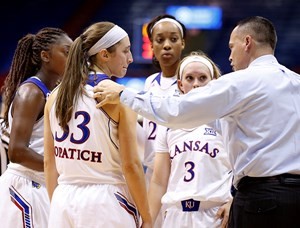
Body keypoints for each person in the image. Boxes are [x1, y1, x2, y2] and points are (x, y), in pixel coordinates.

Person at [94, 16, 300, 228]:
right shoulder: (296, 81)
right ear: (181, 84)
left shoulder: (241, 82)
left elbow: (179, 110)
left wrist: (124, 94)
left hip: (259, 200)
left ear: (247, 42)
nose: (230, 56)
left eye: (232, 47)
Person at [44, 21, 152, 228]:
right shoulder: (119, 98)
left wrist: (56, 203)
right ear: (104, 55)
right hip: (105, 200)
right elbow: (131, 166)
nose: (130, 58)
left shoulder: (54, 96)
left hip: (63, 198)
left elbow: (49, 163)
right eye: (126, 51)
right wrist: (147, 217)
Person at [148, 51, 233, 228]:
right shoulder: (168, 124)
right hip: (175, 215)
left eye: (203, 78)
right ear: (180, 85)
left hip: (215, 215)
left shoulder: (226, 120)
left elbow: (244, 170)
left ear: (214, 83)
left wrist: (235, 199)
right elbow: (158, 181)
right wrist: (147, 221)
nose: (196, 84)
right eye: (190, 78)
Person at [0, 27, 72, 227]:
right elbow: (17, 151)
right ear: (45, 56)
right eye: (67, 52)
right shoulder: (31, 91)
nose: (72, 58)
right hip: (24, 186)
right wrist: (63, 168)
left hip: (42, 184)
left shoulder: (53, 92)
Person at [141, 14, 186, 188]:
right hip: (152, 171)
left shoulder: (191, 81)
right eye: (160, 40)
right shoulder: (150, 81)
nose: (167, 45)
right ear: (152, 45)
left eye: (173, 39)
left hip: (181, 171)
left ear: (182, 43)